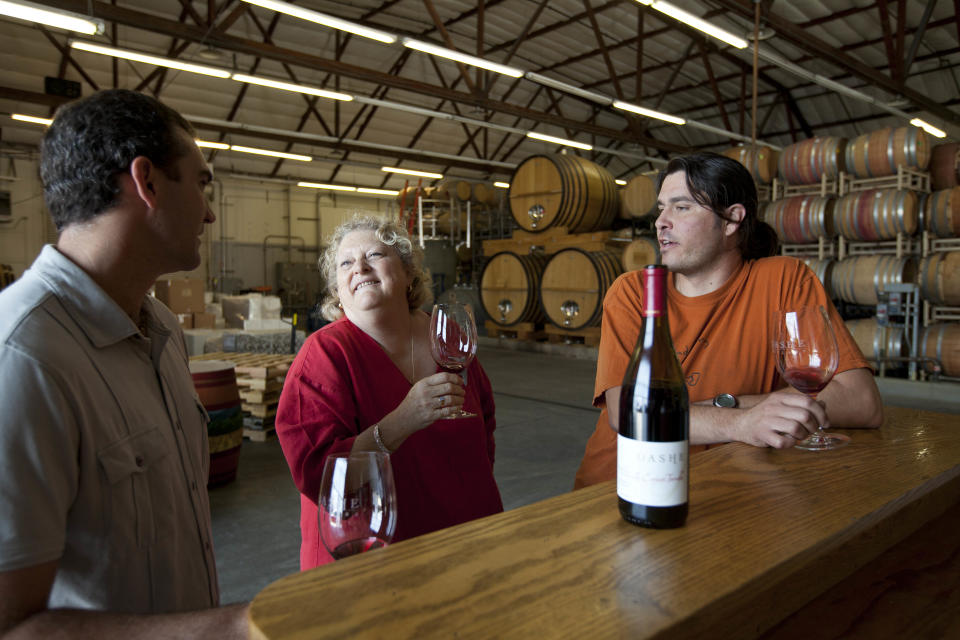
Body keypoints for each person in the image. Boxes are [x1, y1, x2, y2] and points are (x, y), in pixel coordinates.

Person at [0, 90, 248, 637]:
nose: (208, 213)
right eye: (201, 183)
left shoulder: (160, 330)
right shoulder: (23, 357)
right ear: (148, 182)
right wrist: (230, 630)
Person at [575, 152, 884, 488]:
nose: (661, 221)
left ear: (732, 219)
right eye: (661, 208)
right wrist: (739, 422)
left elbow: (862, 402)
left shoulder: (784, 280)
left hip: (726, 485)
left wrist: (729, 404)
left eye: (681, 207)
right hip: (622, 484)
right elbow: (629, 415)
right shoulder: (635, 292)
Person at [275, 215, 503, 569]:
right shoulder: (323, 356)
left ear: (409, 272)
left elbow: (483, 427)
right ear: (337, 287)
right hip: (369, 559)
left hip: (465, 546)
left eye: (375, 255)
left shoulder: (447, 335)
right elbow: (316, 475)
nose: (360, 268)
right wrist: (404, 420)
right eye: (346, 262)